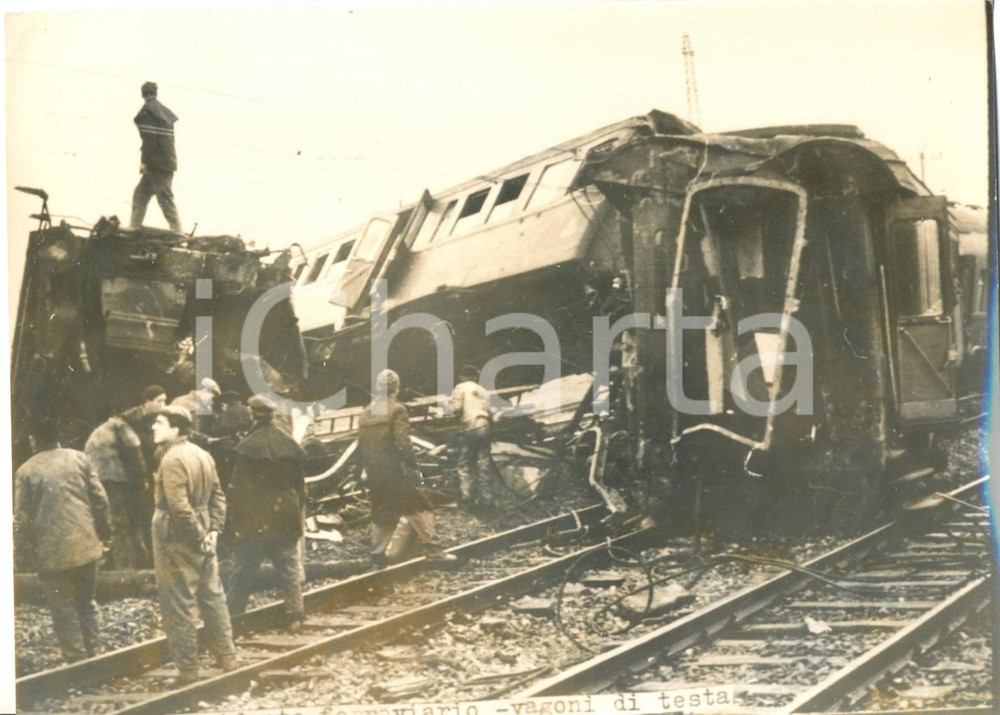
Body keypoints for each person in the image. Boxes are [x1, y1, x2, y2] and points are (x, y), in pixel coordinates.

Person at [151, 406, 236, 685]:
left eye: (159, 422)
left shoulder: (172, 460)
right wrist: (213, 530)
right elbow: (218, 496)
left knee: (179, 601)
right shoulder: (202, 454)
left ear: (175, 429)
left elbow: (179, 507)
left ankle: (187, 669)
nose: (154, 427)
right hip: (202, 533)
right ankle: (227, 657)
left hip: (177, 537)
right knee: (212, 596)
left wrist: (199, 534)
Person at [14, 420, 112, 663]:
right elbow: (100, 500)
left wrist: (21, 554)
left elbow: (22, 520)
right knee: (87, 602)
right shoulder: (80, 459)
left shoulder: (26, 471)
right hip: (86, 546)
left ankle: (77, 661)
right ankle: (96, 655)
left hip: (52, 555)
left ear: (33, 440)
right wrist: (104, 534)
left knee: (63, 608)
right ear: (59, 437)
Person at [225, 395, 308, 630]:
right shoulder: (289, 443)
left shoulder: (247, 447)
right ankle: (296, 615)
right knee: (289, 566)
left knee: (242, 569)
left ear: (252, 415)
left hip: (256, 519)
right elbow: (300, 487)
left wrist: (236, 524)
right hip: (285, 515)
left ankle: (233, 616)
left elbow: (238, 490)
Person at [357, 369, 456, 567]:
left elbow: (361, 444)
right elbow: (403, 443)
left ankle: (377, 554)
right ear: (397, 388)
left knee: (381, 510)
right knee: (420, 506)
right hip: (396, 470)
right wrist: (412, 467)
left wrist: (365, 469)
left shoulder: (366, 412)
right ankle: (434, 551)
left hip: (374, 471)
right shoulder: (397, 410)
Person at [84, 414, 150, 569]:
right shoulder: (122, 426)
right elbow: (134, 449)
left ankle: (118, 565)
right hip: (114, 479)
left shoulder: (102, 430)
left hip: (99, 478)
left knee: (114, 523)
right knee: (125, 524)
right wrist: (143, 479)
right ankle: (129, 568)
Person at [122, 385, 169, 558]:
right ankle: (141, 554)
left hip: (152, 468)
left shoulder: (161, 416)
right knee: (138, 514)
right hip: (134, 471)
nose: (163, 405)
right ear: (147, 401)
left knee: (151, 512)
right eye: (159, 401)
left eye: (165, 401)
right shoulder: (129, 418)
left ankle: (151, 553)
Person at [130, 81, 182, 233]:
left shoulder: (146, 113)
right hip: (166, 163)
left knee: (164, 199)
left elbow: (149, 142)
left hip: (156, 165)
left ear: (142, 94)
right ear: (155, 92)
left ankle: (178, 233)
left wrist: (145, 163)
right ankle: (133, 228)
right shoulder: (164, 112)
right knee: (141, 195)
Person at [451, 364, 500, 510]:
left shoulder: (460, 388)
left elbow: (456, 409)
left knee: (464, 464)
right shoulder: (484, 391)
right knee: (483, 462)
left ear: (462, 376)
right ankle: (487, 499)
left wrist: (449, 408)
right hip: (485, 426)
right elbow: (491, 412)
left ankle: (468, 498)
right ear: (475, 376)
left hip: (470, 427)